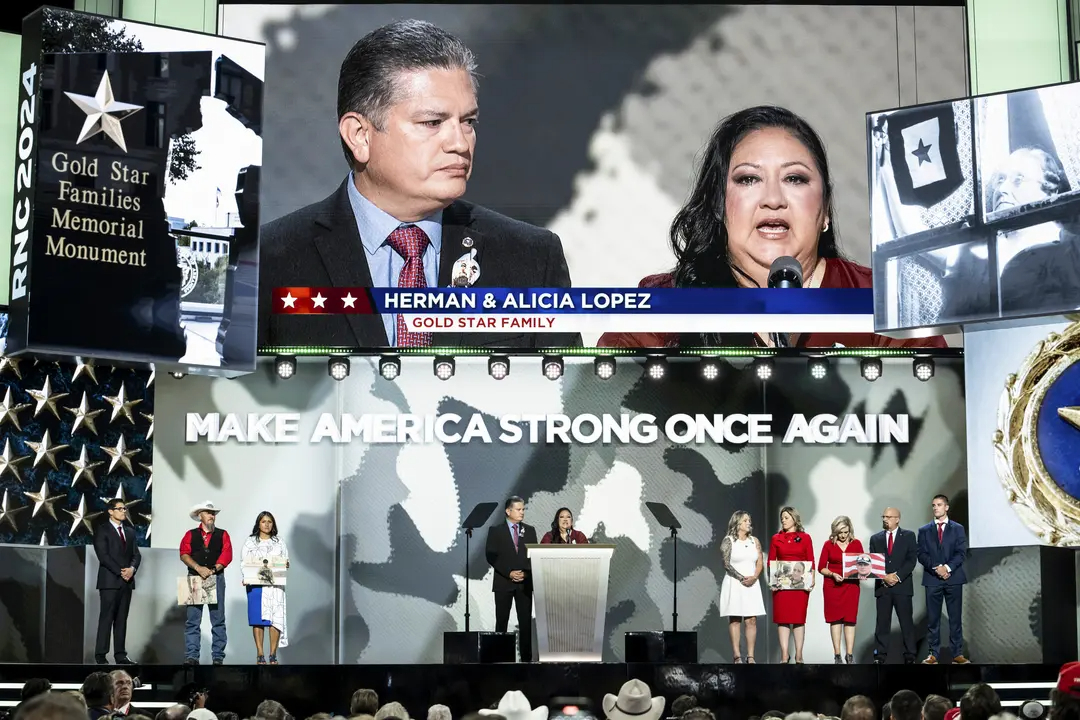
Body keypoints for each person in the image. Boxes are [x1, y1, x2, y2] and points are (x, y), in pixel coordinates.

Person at [258, 19, 579, 350]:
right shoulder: (267, 262)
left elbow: (570, 397)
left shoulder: (531, 260)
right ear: (359, 136)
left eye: (468, 122)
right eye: (432, 122)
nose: (459, 142)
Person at [597, 105, 947, 349]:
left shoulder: (886, 303)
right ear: (719, 206)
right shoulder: (661, 306)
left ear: (824, 209)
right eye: (749, 179)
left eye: (795, 178)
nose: (773, 199)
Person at [179, 501, 233, 665]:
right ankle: (192, 656)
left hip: (215, 577)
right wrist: (198, 567)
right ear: (200, 515)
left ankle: (218, 656)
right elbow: (183, 553)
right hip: (194, 578)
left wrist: (213, 570)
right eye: (208, 512)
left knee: (218, 619)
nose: (212, 515)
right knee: (193, 620)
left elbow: (227, 554)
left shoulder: (223, 534)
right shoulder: (190, 534)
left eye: (213, 513)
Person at [917, 494, 968, 664]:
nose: (935, 508)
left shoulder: (958, 528)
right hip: (932, 579)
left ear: (946, 507)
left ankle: (957, 654)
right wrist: (937, 569)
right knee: (933, 619)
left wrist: (946, 568)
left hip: (953, 578)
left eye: (939, 505)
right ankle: (933, 654)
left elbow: (961, 552)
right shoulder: (924, 530)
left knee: (955, 618)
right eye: (933, 505)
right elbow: (921, 554)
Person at [485, 495, 537, 662]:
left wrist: (526, 573)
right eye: (519, 509)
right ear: (508, 511)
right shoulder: (495, 530)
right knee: (502, 621)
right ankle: (500, 659)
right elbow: (491, 556)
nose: (522, 512)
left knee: (525, 623)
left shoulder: (529, 530)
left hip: (524, 583)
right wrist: (509, 572)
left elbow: (533, 555)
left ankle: (526, 660)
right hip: (503, 582)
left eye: (523, 509)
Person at [93, 498, 140, 665]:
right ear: (110, 511)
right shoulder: (102, 530)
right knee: (107, 618)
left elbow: (136, 554)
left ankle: (120, 655)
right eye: (120, 509)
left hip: (126, 582)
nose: (123, 511)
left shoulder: (130, 532)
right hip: (109, 581)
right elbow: (103, 556)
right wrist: (121, 572)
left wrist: (132, 569)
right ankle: (101, 655)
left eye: (125, 508)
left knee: (122, 619)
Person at [869, 507, 917, 664]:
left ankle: (910, 655)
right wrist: (884, 577)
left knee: (906, 623)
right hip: (883, 588)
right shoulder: (875, 539)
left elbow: (911, 560)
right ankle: (879, 656)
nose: (885, 519)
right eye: (883, 516)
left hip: (902, 587)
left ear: (897, 519)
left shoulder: (909, 536)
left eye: (889, 517)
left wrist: (896, 576)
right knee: (882, 624)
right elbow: (873, 562)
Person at [241, 511, 290, 665]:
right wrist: (246, 576)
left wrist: (285, 564)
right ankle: (260, 654)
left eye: (270, 521)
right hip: (256, 586)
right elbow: (244, 561)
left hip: (275, 586)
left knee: (275, 620)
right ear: (258, 524)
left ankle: (273, 654)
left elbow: (286, 560)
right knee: (258, 620)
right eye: (264, 521)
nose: (267, 524)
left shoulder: (279, 542)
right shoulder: (250, 542)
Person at [767, 506, 813, 663]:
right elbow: (771, 561)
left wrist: (811, 580)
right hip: (782, 585)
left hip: (800, 585)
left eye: (786, 517)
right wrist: (773, 581)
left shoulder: (805, 537)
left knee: (799, 619)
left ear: (794, 518)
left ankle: (799, 654)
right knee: (783, 618)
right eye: (782, 518)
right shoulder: (776, 538)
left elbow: (810, 559)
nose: (783, 520)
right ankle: (784, 654)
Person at [718, 511, 765, 663]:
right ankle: (737, 655)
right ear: (737, 523)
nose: (749, 523)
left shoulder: (754, 541)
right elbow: (726, 563)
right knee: (735, 619)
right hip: (735, 582)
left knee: (751, 620)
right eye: (745, 520)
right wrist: (741, 578)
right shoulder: (729, 540)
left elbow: (759, 562)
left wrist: (755, 577)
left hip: (752, 582)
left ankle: (750, 656)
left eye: (749, 520)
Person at [818, 515, 863, 664]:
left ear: (850, 530)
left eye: (846, 532)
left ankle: (849, 655)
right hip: (833, 585)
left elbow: (863, 566)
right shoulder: (828, 544)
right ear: (835, 531)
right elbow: (821, 567)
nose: (843, 536)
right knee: (835, 619)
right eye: (840, 532)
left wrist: (864, 572)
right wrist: (832, 574)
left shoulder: (856, 544)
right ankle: (837, 655)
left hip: (851, 586)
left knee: (850, 620)